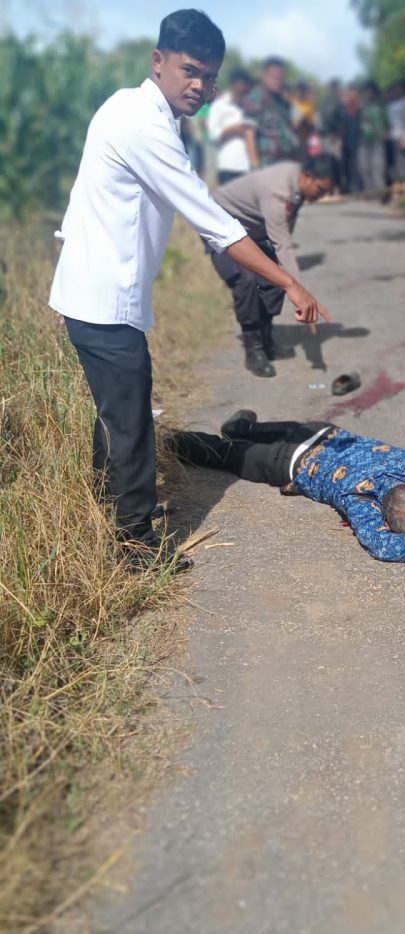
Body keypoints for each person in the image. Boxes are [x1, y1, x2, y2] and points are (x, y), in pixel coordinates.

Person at [48, 9, 329, 571]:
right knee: (129, 424)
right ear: (159, 62)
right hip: (105, 299)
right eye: (190, 70)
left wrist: (66, 280)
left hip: (93, 293)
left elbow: (83, 200)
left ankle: (110, 516)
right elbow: (217, 225)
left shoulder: (126, 106)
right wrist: (289, 280)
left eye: (210, 76)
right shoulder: (144, 125)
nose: (200, 85)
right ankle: (134, 549)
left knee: (116, 413)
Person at [166, 411, 405, 563]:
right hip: (288, 459)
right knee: (220, 455)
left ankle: (244, 427)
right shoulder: (361, 497)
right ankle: (166, 439)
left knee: (253, 432)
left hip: (321, 432)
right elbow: (383, 546)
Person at [211, 154, 340, 377]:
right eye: (320, 190)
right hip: (218, 227)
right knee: (248, 280)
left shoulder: (296, 180)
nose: (321, 196)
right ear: (308, 177)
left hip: (249, 235)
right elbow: (284, 246)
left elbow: (284, 237)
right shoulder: (278, 192)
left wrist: (290, 283)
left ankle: (267, 339)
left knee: (273, 278)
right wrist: (300, 295)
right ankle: (254, 349)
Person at [244, 57, 300, 169]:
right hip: (266, 165)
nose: (278, 81)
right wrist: (255, 166)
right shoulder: (255, 99)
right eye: (274, 77)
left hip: (285, 162)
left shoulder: (283, 102)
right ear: (264, 76)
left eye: (281, 78)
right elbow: (249, 134)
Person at [207, 68, 254, 184]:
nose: (243, 89)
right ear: (234, 84)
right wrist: (234, 129)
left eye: (246, 87)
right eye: (240, 86)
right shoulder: (219, 105)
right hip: (228, 165)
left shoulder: (253, 107)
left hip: (250, 168)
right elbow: (214, 136)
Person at [358, 81, 388, 193]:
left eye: (370, 91)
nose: (368, 93)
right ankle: (369, 192)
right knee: (364, 167)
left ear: (375, 92)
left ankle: (380, 192)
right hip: (364, 139)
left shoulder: (381, 105)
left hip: (377, 138)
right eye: (366, 91)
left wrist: (385, 131)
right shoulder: (362, 105)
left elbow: (387, 121)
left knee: (378, 167)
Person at [387, 81, 405, 185]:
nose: (397, 91)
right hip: (393, 136)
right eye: (395, 89)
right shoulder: (392, 103)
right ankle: (397, 190)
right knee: (395, 164)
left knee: (403, 163)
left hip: (402, 136)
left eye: (399, 89)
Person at [339, 85, 362, 193]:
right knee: (346, 166)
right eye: (349, 93)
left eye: (353, 93)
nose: (350, 96)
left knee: (356, 166)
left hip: (357, 141)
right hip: (345, 141)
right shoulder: (343, 108)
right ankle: (346, 189)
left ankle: (356, 189)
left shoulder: (360, 108)